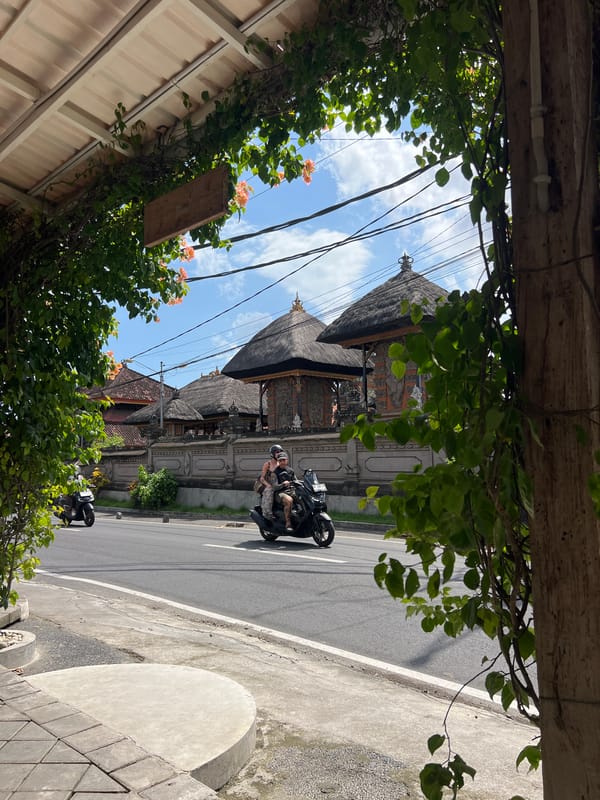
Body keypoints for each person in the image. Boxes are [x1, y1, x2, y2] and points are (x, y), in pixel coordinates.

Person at [273, 451, 296, 531]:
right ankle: (288, 523)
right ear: (278, 461)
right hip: (280, 493)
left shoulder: (291, 470)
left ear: (287, 460)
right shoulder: (275, 472)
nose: (282, 462)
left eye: (284, 460)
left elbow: (295, 480)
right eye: (280, 460)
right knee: (289, 500)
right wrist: (283, 484)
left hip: (291, 491)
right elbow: (274, 487)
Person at [259, 444, 283, 520]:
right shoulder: (267, 464)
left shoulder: (281, 463)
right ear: (272, 454)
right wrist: (268, 485)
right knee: (270, 491)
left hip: (279, 484)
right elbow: (262, 478)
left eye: (280, 452)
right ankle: (267, 513)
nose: (279, 453)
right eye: (277, 452)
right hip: (270, 485)